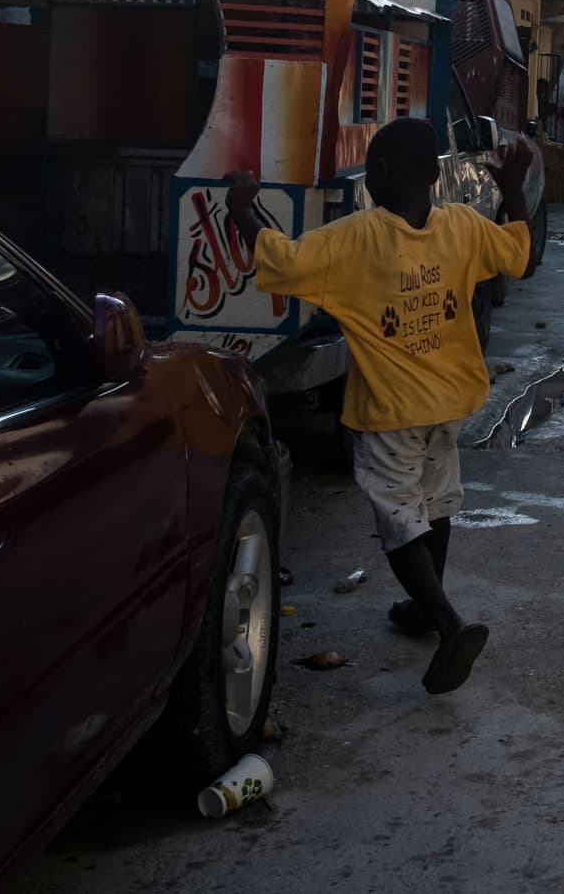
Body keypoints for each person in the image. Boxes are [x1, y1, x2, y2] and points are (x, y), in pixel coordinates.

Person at [225, 119, 534, 696]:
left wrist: (243, 206)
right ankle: (424, 608)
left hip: (390, 412)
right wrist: (513, 182)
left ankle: (448, 623)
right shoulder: (463, 226)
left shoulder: (357, 237)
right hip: (450, 401)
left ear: (382, 176)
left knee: (399, 523)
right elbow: (520, 255)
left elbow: (284, 263)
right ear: (436, 176)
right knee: (436, 504)